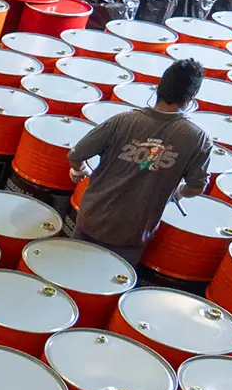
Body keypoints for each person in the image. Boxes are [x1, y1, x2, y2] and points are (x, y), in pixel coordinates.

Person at [67, 58, 212, 265]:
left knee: (71, 271)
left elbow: (76, 154)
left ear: (159, 87)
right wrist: (177, 192)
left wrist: (79, 170)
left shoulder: (123, 120)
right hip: (132, 234)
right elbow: (196, 187)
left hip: (92, 219)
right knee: (109, 287)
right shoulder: (197, 138)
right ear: (192, 97)